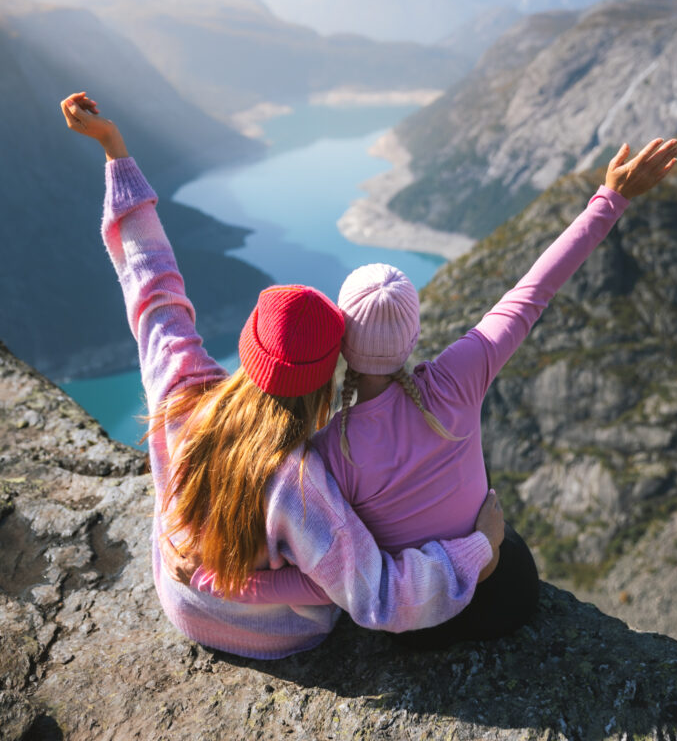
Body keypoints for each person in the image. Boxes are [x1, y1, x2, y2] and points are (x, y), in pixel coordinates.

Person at [60, 91, 502, 660]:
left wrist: (113, 150)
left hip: (179, 596)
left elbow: (149, 280)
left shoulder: (181, 386)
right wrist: (477, 550)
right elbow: (381, 597)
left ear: (249, 346)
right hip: (271, 634)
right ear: (328, 375)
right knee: (330, 584)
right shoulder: (303, 482)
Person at [304, 132, 677, 647]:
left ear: (343, 344)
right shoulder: (459, 376)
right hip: (507, 598)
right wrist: (611, 197)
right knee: (505, 532)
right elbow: (533, 291)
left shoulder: (330, 448)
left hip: (421, 626)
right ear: (413, 335)